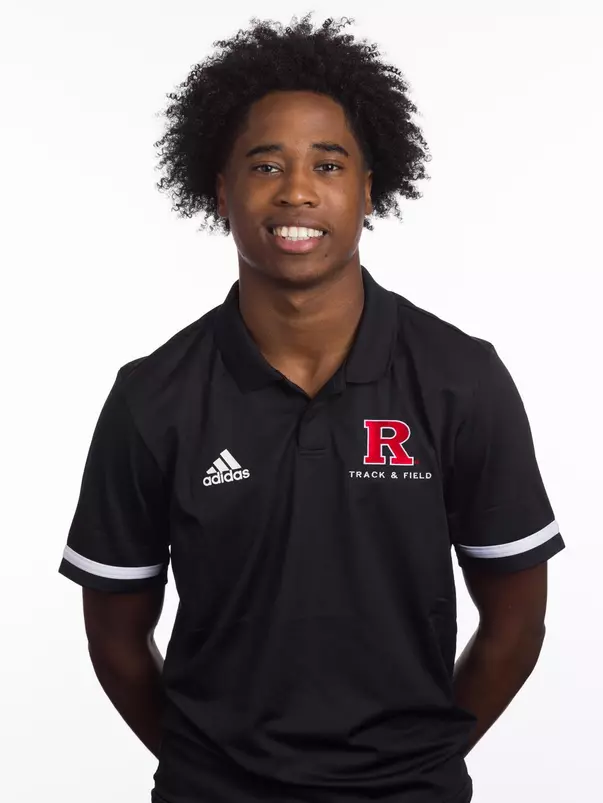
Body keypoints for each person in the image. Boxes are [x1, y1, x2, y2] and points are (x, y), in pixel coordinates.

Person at [58, 13, 565, 803]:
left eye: (328, 164)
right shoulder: (152, 397)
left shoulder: (460, 379)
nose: (297, 188)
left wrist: (413, 765)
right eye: (266, 165)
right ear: (221, 192)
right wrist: (213, 769)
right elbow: (115, 639)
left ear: (368, 189)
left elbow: (515, 626)